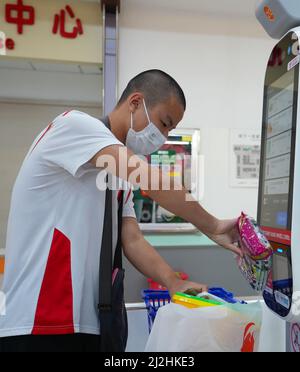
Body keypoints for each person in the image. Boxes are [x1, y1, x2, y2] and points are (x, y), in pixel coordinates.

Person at [0, 70, 241, 352]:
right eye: (163, 123)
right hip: (40, 322)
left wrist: (172, 281)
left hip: (90, 324)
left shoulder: (116, 175)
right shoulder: (74, 126)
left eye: (169, 130)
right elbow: (151, 181)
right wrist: (212, 225)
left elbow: (132, 239)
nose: (162, 137)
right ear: (136, 102)